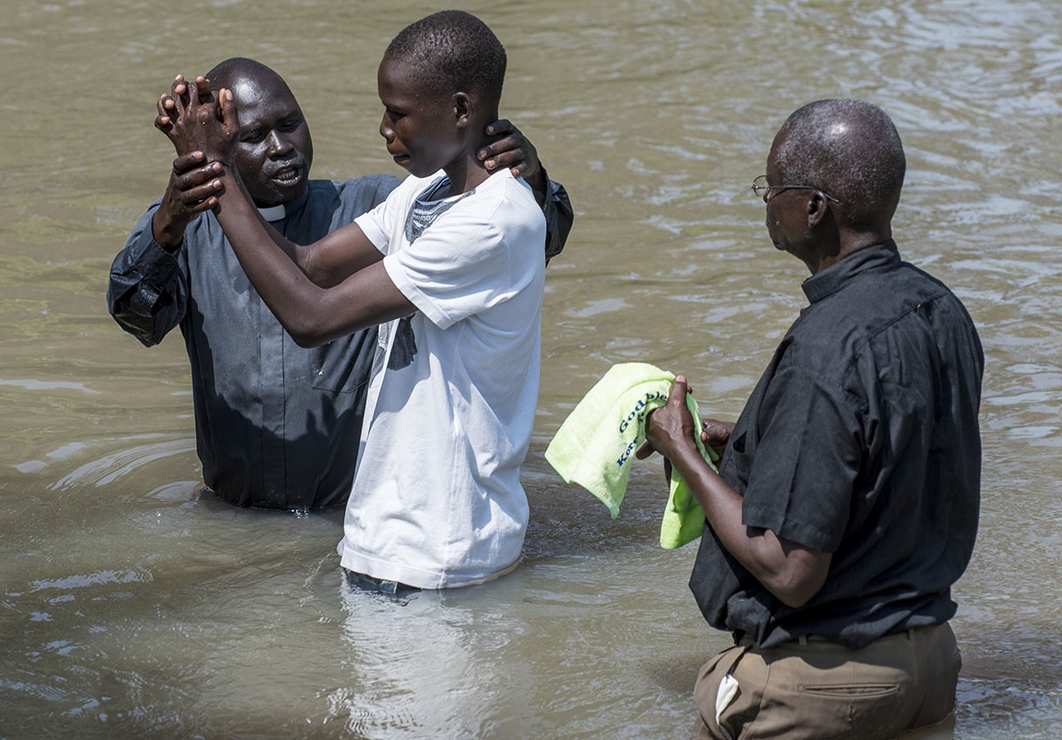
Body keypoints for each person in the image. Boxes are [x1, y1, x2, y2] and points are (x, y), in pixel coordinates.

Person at [158, 11, 549, 591]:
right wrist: (208, 178)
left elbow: (312, 317)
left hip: (441, 552)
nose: (385, 130)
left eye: (399, 114)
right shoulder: (425, 191)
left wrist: (215, 171)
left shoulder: (495, 221)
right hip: (383, 539)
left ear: (462, 111)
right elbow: (309, 264)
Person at [640, 99, 984, 739]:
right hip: (931, 666)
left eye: (771, 188)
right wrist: (743, 441)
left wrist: (682, 451)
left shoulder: (825, 347)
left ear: (814, 208)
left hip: (824, 689)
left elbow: (792, 572)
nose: (766, 201)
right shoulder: (943, 312)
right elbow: (885, 458)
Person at [108, 57, 572, 512]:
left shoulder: (375, 204)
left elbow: (526, 244)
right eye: (253, 137)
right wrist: (169, 219)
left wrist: (529, 177)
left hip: (351, 519)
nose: (281, 146)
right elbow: (137, 318)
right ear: (221, 148)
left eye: (291, 124)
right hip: (232, 522)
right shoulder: (190, 226)